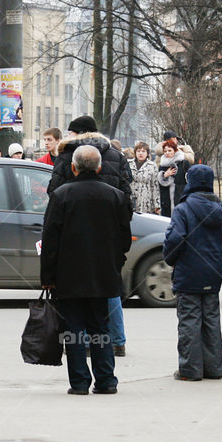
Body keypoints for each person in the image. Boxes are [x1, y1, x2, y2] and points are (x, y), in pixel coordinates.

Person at [41, 145, 132, 395]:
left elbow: (50, 239)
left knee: (74, 329)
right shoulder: (115, 196)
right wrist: (115, 262)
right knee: (100, 327)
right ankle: (106, 380)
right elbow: (125, 238)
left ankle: (80, 382)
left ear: (73, 167)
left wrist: (47, 276)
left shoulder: (61, 195)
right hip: (103, 273)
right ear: (99, 167)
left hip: (68, 274)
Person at [48, 116, 133, 356]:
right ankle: (117, 341)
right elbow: (127, 196)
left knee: (79, 290)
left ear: (79, 133)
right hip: (108, 234)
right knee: (109, 287)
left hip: (75, 234)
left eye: (71, 132)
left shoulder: (67, 155)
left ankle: (83, 343)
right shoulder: (116, 155)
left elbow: (54, 193)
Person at [164, 164, 222, 381]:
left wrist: (172, 259)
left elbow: (174, 239)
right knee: (211, 320)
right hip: (212, 273)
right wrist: (218, 255)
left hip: (188, 273)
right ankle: (214, 369)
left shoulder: (183, 209)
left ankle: (190, 370)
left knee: (189, 320)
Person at [157, 139, 189, 217]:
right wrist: (164, 175)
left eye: (169, 150)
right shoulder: (162, 165)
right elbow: (158, 183)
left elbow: (191, 178)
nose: (167, 153)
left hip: (180, 196)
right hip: (166, 199)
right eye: (165, 151)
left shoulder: (183, 163)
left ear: (175, 151)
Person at [128, 141, 159, 214]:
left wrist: (157, 205)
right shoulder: (128, 164)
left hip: (145, 201)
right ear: (135, 152)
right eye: (138, 151)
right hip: (130, 198)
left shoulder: (152, 166)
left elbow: (155, 186)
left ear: (147, 153)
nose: (140, 153)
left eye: (143, 151)